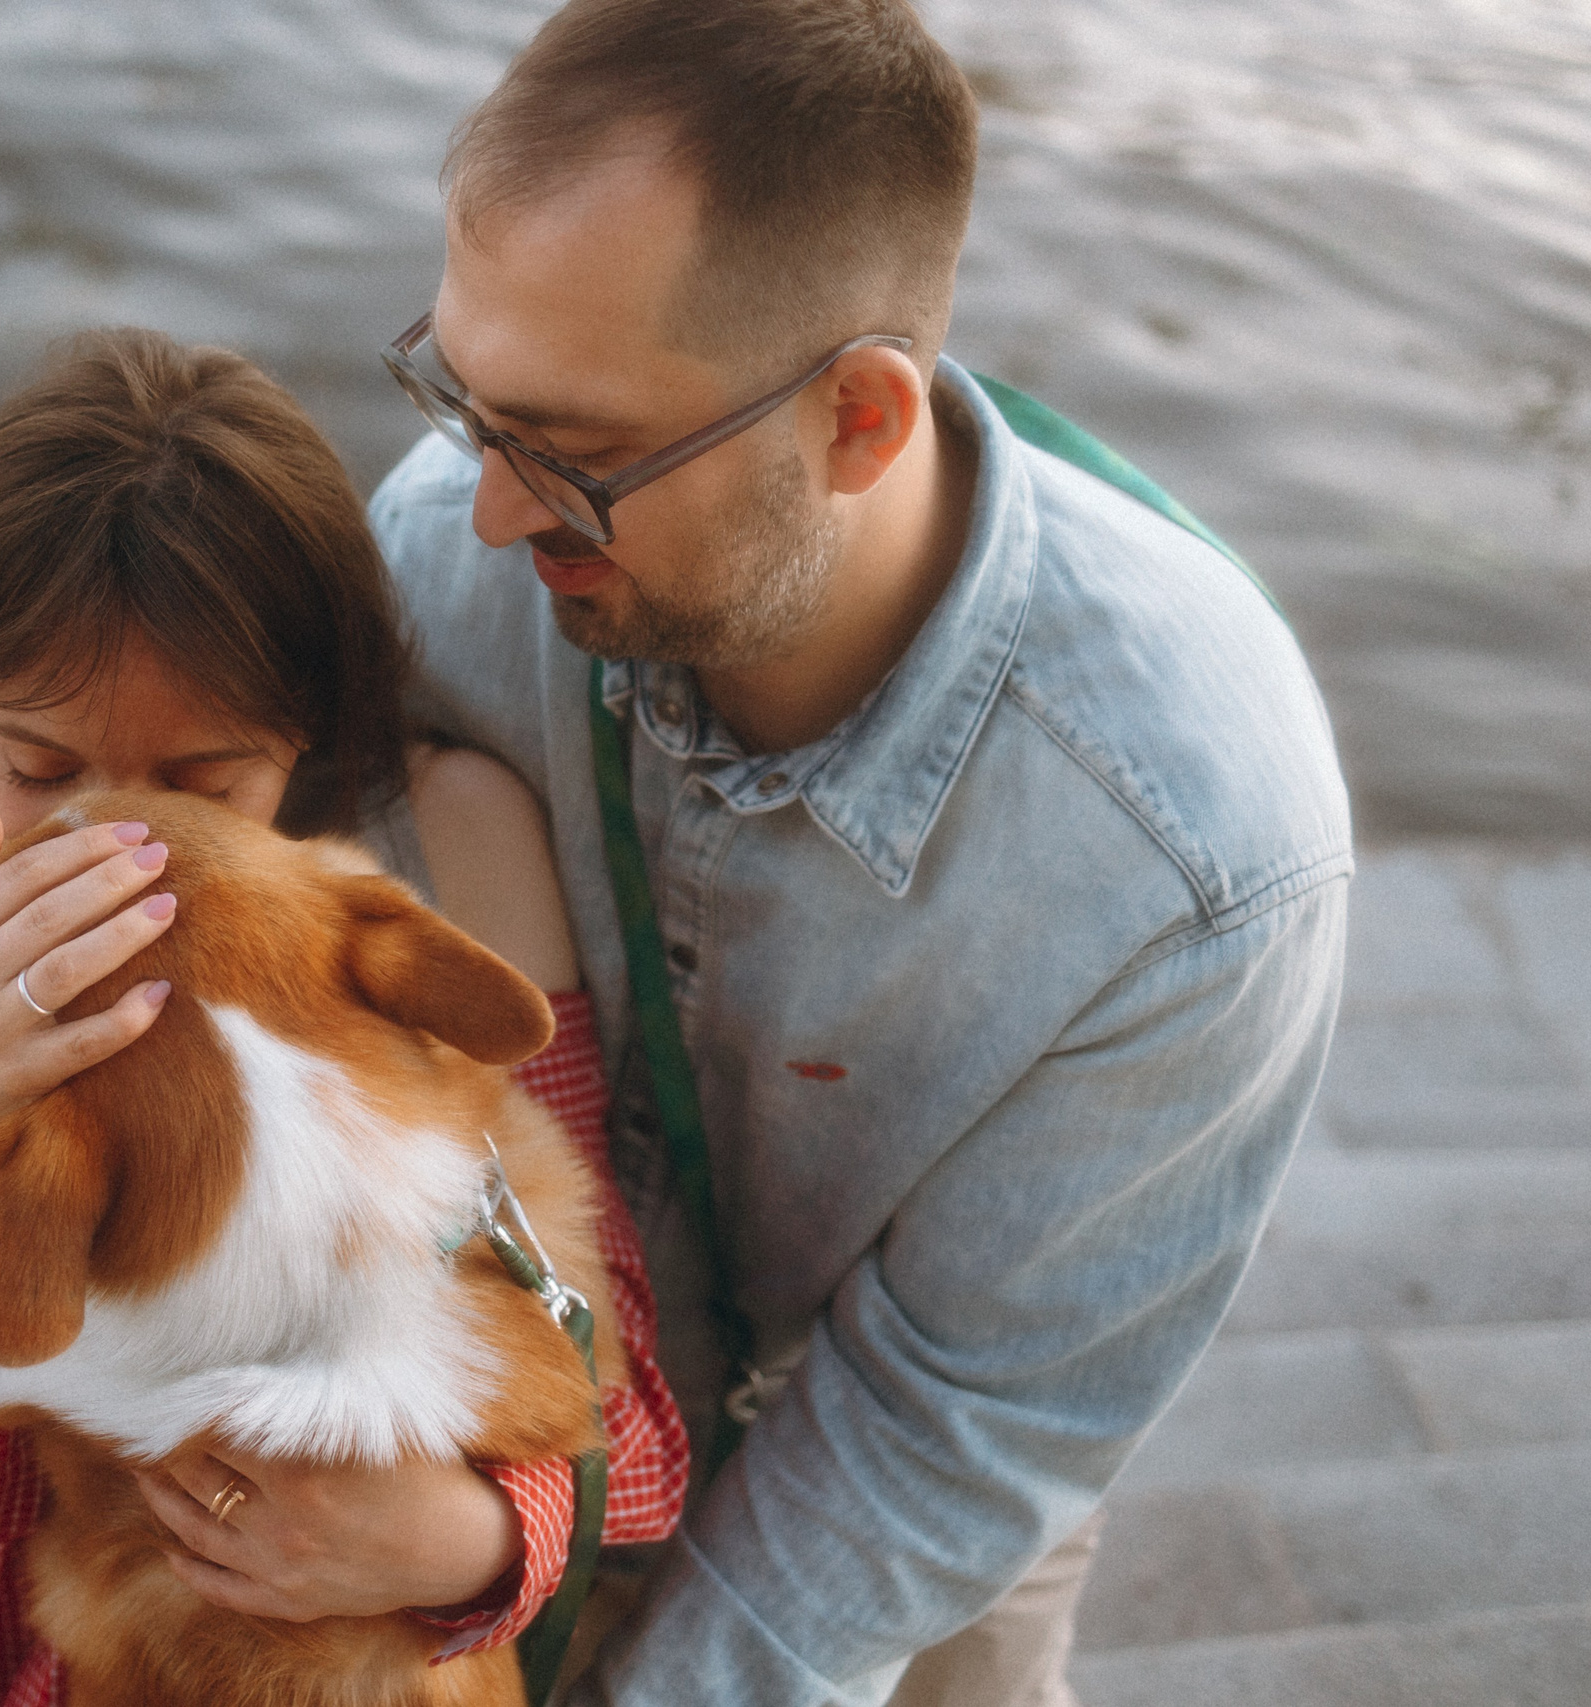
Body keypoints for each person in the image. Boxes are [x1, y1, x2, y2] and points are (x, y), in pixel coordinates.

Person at [364, 3, 1352, 1704]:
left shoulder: (1196, 855)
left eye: (579, 457)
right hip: (520, 1443)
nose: (491, 514)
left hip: (922, 1509)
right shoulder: (445, 568)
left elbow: (957, 1426)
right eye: (469, 399)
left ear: (863, 424)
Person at [0, 327, 689, 1706]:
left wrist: (462, 1541)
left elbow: (622, 1409)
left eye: (206, 780)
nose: (112, 847)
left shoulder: (438, 866)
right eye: (37, 768)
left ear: (310, 728)